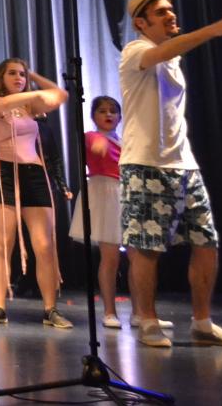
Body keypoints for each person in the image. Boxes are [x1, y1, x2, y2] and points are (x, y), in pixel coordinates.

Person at [118, 0, 222, 349]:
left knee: (206, 242)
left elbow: (170, 53)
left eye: (171, 10)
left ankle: (203, 322)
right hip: (145, 165)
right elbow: (161, 52)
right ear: (141, 23)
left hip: (184, 165)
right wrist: (213, 29)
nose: (171, 16)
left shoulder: (173, 58)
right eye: (161, 13)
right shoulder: (135, 50)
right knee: (147, 247)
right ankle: (148, 320)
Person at [0, 58, 69, 328]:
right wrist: (33, 93)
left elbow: (60, 95)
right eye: (13, 73)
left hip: (34, 174)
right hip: (2, 173)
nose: (19, 78)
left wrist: (34, 75)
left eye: (22, 74)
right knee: (3, 243)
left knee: (44, 245)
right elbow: (4, 104)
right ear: (0, 77)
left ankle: (50, 309)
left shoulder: (29, 106)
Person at [68, 96, 127, 328]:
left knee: (136, 256)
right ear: (93, 116)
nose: (108, 114)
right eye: (102, 111)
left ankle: (142, 313)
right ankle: (109, 312)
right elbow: (94, 143)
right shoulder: (92, 136)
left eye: (113, 111)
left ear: (120, 117)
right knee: (110, 256)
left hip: (125, 193)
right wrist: (98, 143)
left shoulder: (125, 141)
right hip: (104, 193)